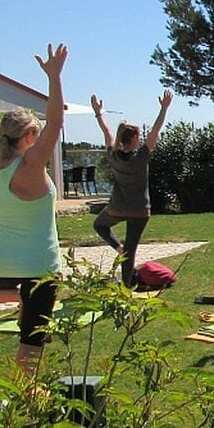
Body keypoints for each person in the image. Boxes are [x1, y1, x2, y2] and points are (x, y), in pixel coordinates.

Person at [0, 43, 68, 376]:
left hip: (2, 267)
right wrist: (54, 78)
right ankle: (26, 403)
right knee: (32, 340)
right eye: (35, 136)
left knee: (25, 319)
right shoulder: (27, 167)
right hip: (38, 268)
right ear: (27, 136)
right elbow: (55, 122)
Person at [90, 90, 173, 285]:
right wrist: (164, 108)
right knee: (131, 250)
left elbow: (107, 132)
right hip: (139, 210)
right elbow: (155, 131)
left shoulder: (113, 155)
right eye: (139, 135)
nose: (141, 137)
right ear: (134, 138)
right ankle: (127, 287)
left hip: (117, 207)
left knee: (100, 225)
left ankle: (119, 249)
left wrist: (99, 114)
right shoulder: (141, 156)